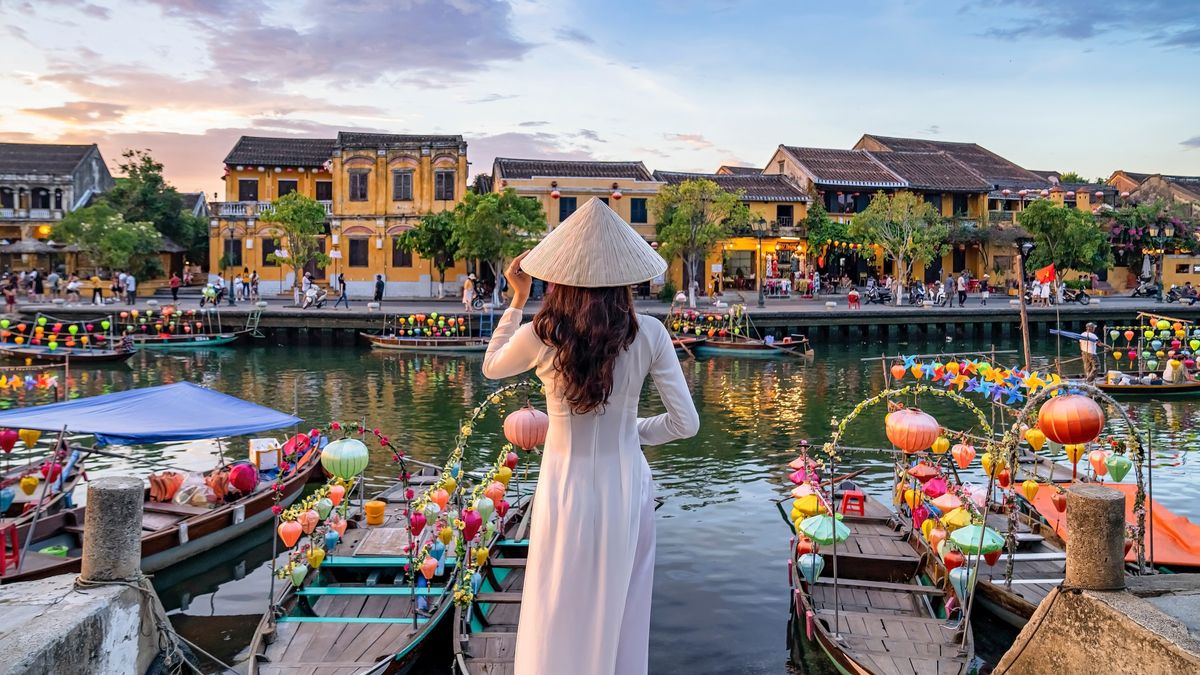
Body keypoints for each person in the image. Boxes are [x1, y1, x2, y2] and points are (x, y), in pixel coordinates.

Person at [482, 199, 699, 675]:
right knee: (623, 607)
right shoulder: (651, 333)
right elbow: (686, 424)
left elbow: (491, 366)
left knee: (558, 603)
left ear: (560, 275)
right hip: (628, 485)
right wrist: (631, 431)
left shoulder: (543, 334)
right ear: (624, 277)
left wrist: (517, 299)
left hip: (565, 486)